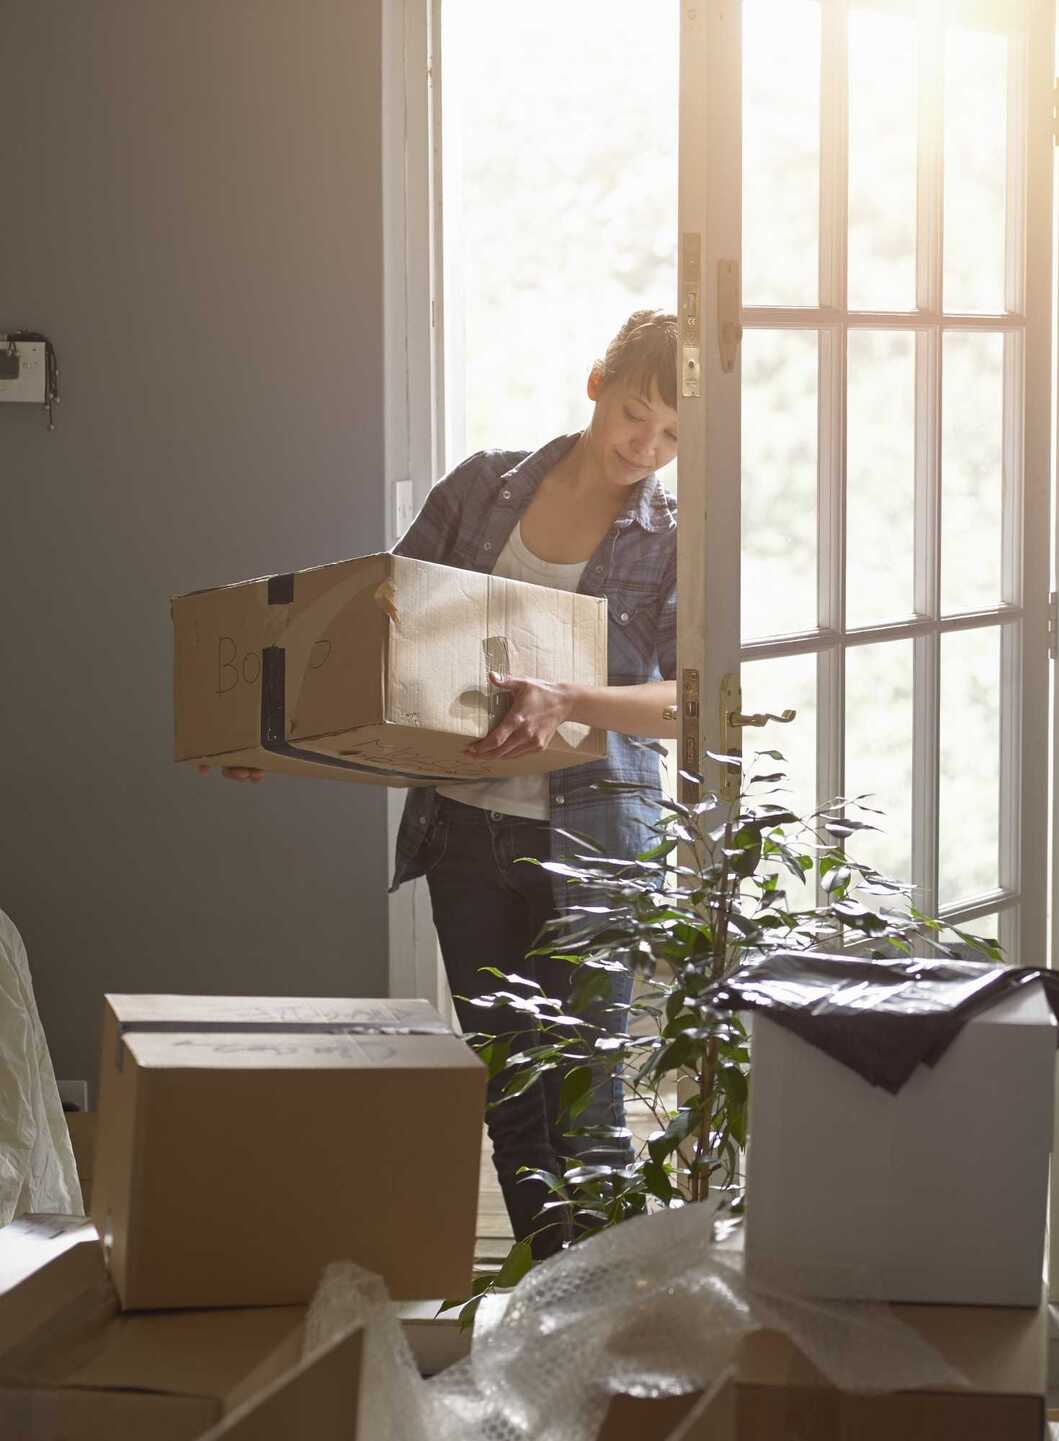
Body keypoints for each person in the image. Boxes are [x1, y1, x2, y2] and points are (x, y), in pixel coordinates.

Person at [204, 309, 681, 1259]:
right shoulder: (484, 487)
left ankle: (597, 1331)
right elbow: (376, 634)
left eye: (674, 435)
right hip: (464, 835)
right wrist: (271, 731)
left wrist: (569, 697)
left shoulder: (671, 539)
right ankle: (546, 1308)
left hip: (594, 844)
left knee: (587, 1104)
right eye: (637, 413)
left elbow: (687, 703)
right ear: (596, 383)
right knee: (513, 1098)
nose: (647, 447)